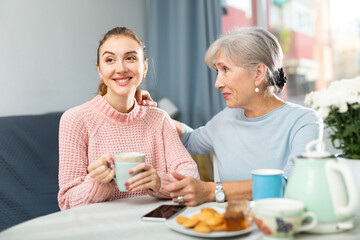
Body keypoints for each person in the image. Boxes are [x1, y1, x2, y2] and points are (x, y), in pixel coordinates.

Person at [136, 27, 323, 206]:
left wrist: (210, 191)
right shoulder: (228, 117)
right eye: (218, 71)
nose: (218, 83)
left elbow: (293, 183)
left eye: (225, 69)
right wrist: (152, 113)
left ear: (258, 73)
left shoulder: (304, 121)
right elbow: (190, 139)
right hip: (232, 225)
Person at [58, 27, 199, 210]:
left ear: (145, 67)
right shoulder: (75, 119)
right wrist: (99, 183)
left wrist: (158, 182)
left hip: (154, 224)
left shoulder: (159, 118)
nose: (121, 68)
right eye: (110, 60)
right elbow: (67, 202)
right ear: (99, 70)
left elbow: (191, 177)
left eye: (130, 58)